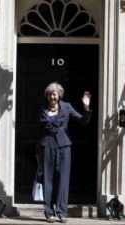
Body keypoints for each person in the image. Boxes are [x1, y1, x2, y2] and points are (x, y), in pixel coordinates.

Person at [36, 82, 92, 223]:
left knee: (63, 179)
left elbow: (83, 121)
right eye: (49, 94)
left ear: (59, 95)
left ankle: (62, 212)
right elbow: (38, 132)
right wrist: (37, 152)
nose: (52, 97)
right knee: (47, 180)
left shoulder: (66, 107)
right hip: (46, 146)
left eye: (54, 94)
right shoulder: (42, 109)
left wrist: (86, 107)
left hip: (63, 146)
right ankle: (49, 212)